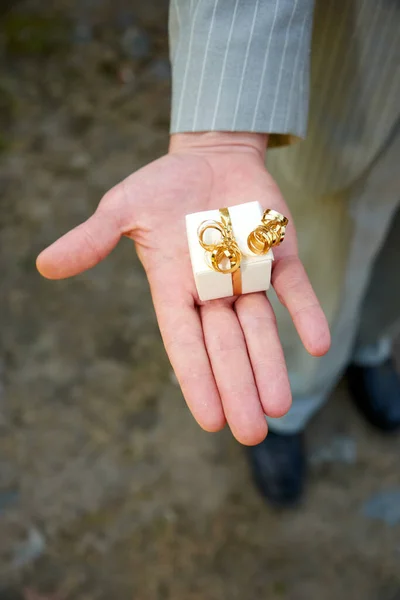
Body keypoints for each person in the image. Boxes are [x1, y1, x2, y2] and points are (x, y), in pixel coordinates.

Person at [36, 0, 400, 507]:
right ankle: (288, 409)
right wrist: (221, 132)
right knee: (321, 247)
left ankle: (371, 342)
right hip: (358, 76)